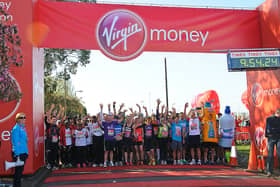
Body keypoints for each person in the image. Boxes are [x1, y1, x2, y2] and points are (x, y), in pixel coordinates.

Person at [11, 113, 29, 187]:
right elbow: (15, 143)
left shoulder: (22, 128)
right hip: (19, 154)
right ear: (17, 119)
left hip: (23, 153)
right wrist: (17, 155)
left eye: (24, 117)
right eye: (21, 117)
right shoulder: (16, 128)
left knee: (20, 173)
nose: (24, 119)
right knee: (18, 173)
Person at [265, 108, 280, 177]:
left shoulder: (269, 119)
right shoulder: (269, 119)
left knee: (278, 154)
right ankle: (269, 171)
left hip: (277, 138)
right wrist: (267, 135)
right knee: (270, 155)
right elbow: (267, 128)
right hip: (271, 138)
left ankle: (270, 171)